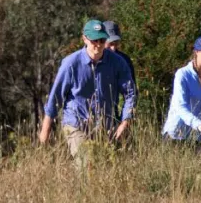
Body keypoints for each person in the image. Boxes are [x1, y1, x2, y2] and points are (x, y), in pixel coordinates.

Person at [39, 20, 136, 168]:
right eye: (94, 40)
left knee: (105, 169)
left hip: (105, 125)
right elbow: (55, 96)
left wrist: (125, 122)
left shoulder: (118, 62)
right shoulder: (71, 63)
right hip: (76, 124)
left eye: (102, 40)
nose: (98, 44)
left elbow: (130, 93)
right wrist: (45, 130)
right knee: (86, 165)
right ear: (84, 39)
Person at [162, 34, 201, 147]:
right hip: (177, 137)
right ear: (197, 52)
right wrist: (200, 125)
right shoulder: (182, 75)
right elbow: (180, 107)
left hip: (198, 137)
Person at [103, 21, 137, 90]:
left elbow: (132, 89)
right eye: (110, 44)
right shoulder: (92, 60)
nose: (113, 48)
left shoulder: (125, 60)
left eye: (116, 44)